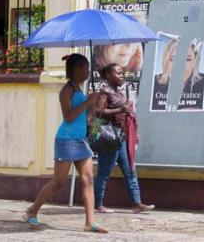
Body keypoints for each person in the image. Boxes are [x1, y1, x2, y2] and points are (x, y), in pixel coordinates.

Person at [23, 54, 108, 233]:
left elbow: (88, 120)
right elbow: (68, 116)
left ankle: (90, 222)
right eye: (85, 67)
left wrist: (94, 106)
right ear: (77, 69)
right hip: (67, 139)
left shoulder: (80, 89)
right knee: (58, 182)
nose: (88, 71)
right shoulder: (67, 90)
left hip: (80, 139)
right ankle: (32, 210)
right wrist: (87, 102)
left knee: (88, 179)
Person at [94, 63, 155, 213]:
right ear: (108, 75)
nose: (122, 76)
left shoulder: (119, 92)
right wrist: (120, 109)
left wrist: (134, 133)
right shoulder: (105, 91)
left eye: (122, 73)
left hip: (123, 137)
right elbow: (98, 112)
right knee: (104, 173)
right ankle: (98, 204)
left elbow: (127, 115)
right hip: (110, 138)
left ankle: (137, 203)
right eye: (118, 73)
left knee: (130, 171)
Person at [152, 38, 204, 110]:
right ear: (166, 61)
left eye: (187, 59)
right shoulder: (153, 84)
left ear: (195, 62)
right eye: (173, 59)